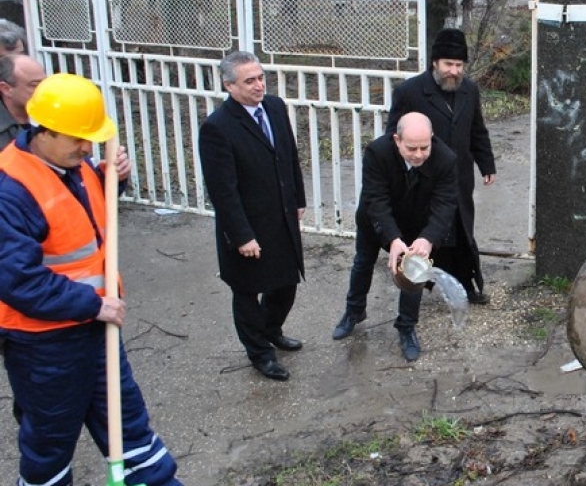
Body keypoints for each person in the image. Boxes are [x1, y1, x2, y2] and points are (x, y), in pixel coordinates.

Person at [0, 73, 182, 485]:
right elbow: (18, 280)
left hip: (96, 331)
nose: (87, 148)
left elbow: (84, 225)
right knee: (49, 445)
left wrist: (110, 182)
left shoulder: (76, 167)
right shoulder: (10, 189)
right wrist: (94, 303)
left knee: (130, 429)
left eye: (91, 138)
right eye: (77, 139)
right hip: (44, 346)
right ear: (41, 130)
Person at [198, 51, 306, 381]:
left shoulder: (275, 107)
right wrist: (242, 235)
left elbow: (289, 155)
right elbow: (223, 190)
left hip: (282, 215)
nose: (259, 85)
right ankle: (259, 352)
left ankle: (271, 329)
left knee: (286, 282)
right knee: (247, 291)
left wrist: (298, 198)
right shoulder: (218, 128)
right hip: (247, 223)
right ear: (229, 85)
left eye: (261, 77)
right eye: (250, 81)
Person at [381, 27, 496, 308]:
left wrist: (486, 163)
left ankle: (464, 284)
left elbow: (477, 130)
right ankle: (417, 287)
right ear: (435, 62)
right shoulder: (410, 92)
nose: (454, 71)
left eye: (459, 65)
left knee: (461, 231)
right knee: (430, 231)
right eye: (448, 64)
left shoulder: (469, 90)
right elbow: (392, 137)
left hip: (460, 176)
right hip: (425, 178)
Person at [333, 112, 458, 362]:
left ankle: (406, 326)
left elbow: (446, 204)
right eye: (411, 148)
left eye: (425, 147)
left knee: (415, 272)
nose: (419, 154)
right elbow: (375, 199)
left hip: (419, 224)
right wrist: (392, 239)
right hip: (376, 219)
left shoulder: (446, 159)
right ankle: (354, 311)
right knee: (362, 263)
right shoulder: (377, 153)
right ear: (397, 140)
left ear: (432, 138)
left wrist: (429, 238)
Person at [0, 54, 46, 147]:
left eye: (45, 83)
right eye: (34, 85)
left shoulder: (54, 116)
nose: (44, 90)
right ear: (6, 89)